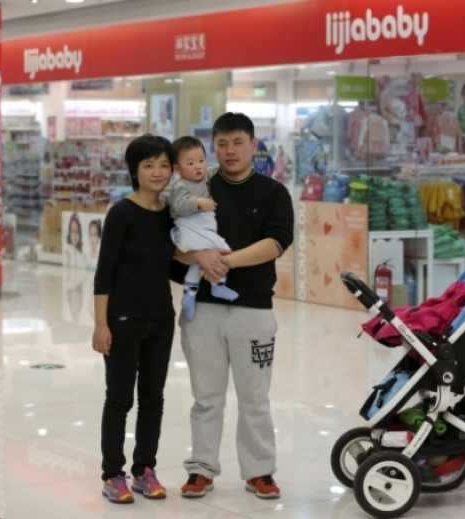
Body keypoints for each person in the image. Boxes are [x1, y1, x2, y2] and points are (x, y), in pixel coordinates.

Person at [179, 113, 294, 499]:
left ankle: (259, 471)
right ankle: (201, 468)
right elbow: (171, 243)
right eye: (223, 144)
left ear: (254, 144)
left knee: (255, 398)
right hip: (203, 310)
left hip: (254, 311)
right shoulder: (194, 189)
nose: (230, 151)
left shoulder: (273, 192)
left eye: (238, 143)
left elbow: (278, 241)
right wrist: (199, 256)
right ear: (213, 145)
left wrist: (225, 260)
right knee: (206, 396)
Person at [92, 134, 188, 504]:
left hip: (161, 319)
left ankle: (144, 470)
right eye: (149, 165)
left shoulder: (170, 213)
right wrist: (101, 323)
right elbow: (104, 273)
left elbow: (172, 263)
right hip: (123, 320)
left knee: (153, 399)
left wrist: (211, 257)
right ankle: (112, 474)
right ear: (134, 171)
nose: (158, 172)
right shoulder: (121, 213)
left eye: (164, 165)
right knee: (119, 399)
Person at [167, 136, 238, 321]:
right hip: (191, 226)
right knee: (223, 250)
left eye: (201, 160)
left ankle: (189, 295)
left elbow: (220, 171)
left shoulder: (206, 176)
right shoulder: (180, 185)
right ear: (177, 169)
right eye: (191, 163)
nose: (198, 166)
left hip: (204, 225)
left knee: (199, 262)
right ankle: (218, 284)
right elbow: (178, 206)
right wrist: (197, 202)